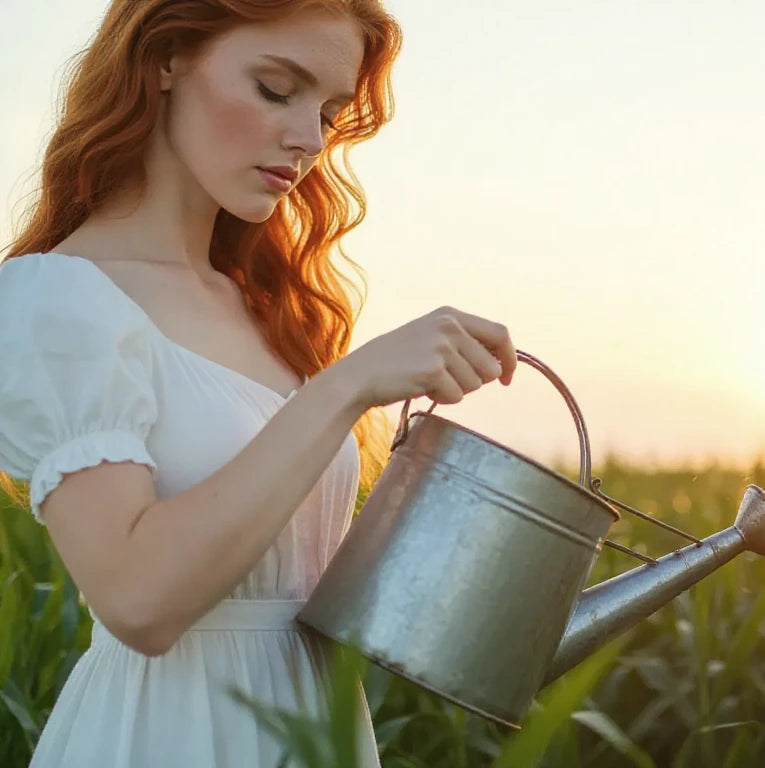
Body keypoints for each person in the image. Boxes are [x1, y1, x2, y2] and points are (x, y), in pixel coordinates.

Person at [0, 1, 517, 765]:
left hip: (315, 728)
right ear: (165, 58)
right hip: (169, 734)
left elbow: (301, 575)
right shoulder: (55, 300)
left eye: (330, 112)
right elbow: (139, 601)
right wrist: (348, 385)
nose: (309, 140)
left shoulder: (268, 309)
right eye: (278, 89)